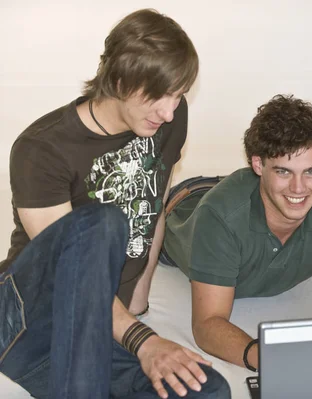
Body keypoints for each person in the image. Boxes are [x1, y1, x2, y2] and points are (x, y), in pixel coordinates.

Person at [0, 9, 230, 399]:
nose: (169, 110)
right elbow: (65, 270)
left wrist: (139, 292)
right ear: (119, 80)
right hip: (24, 321)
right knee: (102, 222)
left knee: (207, 390)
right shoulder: (41, 148)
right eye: (158, 95)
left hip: (102, 330)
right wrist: (143, 340)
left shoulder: (169, 120)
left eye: (178, 94)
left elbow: (153, 202)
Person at [161, 94, 312, 371]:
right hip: (185, 205)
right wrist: (273, 360)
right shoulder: (219, 218)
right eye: (284, 171)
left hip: (248, 193)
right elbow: (208, 324)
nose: (299, 187)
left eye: (311, 171)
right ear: (258, 165)